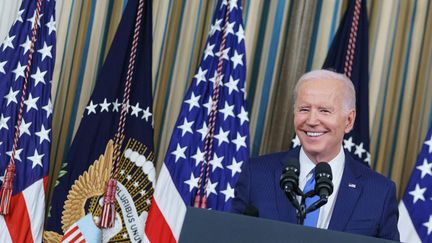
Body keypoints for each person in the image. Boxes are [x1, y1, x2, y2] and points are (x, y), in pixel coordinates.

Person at [232, 69, 399, 241]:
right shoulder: (257, 174)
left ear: (349, 121)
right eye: (304, 109)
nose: (311, 121)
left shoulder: (379, 193)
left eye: (324, 111)